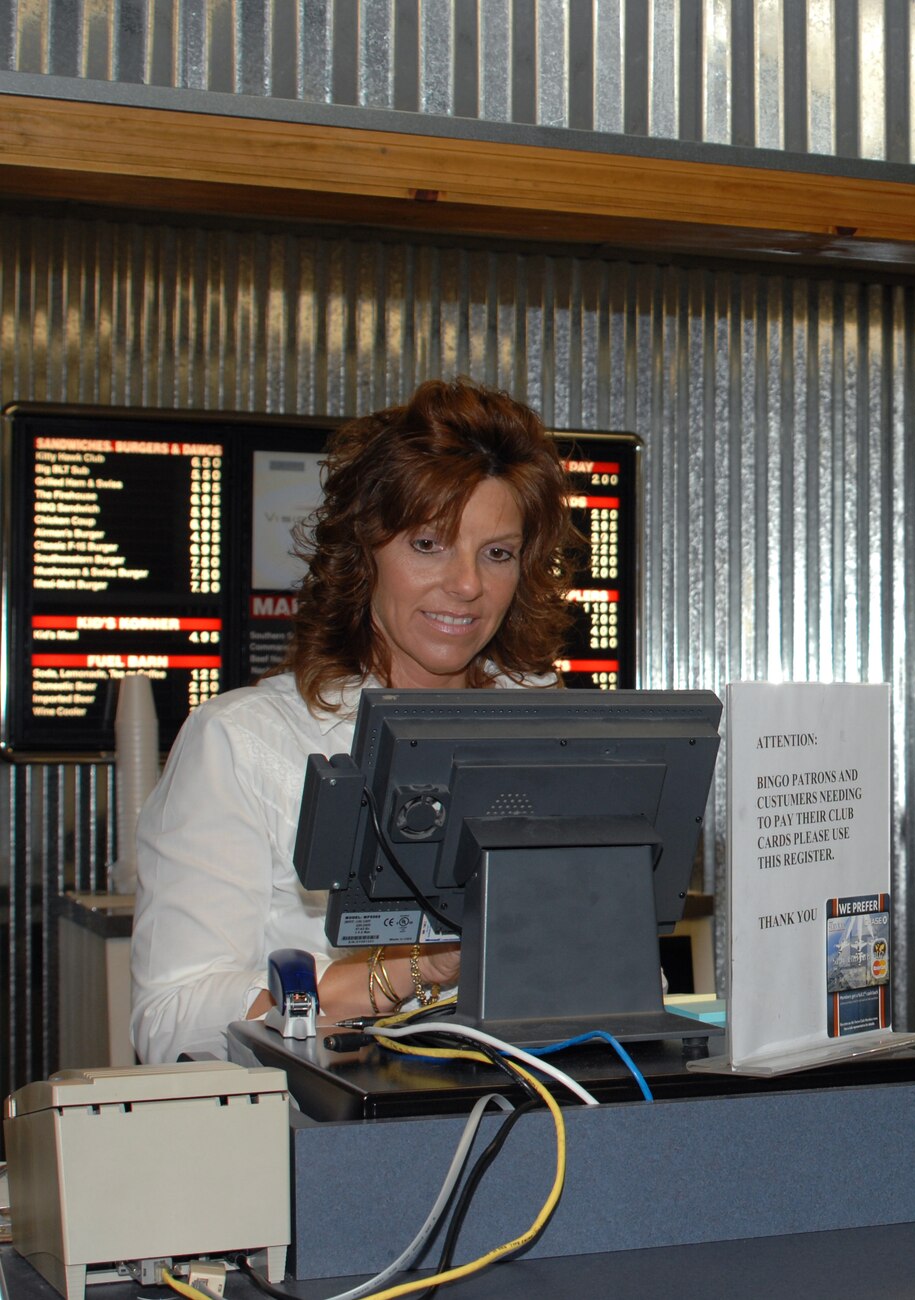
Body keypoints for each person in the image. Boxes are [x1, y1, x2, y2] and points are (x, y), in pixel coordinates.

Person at [131, 379, 582, 1064]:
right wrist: (407, 970)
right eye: (428, 544)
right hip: (322, 1144)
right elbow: (169, 1021)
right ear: (363, 551)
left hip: (531, 1112)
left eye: (496, 553)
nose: (466, 585)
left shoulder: (555, 728)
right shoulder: (246, 743)